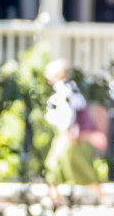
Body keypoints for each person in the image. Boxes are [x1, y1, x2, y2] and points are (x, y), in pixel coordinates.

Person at [44, 58, 104, 204]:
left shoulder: (64, 90)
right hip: (68, 132)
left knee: (71, 163)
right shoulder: (70, 88)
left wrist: (69, 130)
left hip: (69, 133)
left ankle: (101, 196)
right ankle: (53, 196)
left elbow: (68, 112)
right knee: (56, 163)